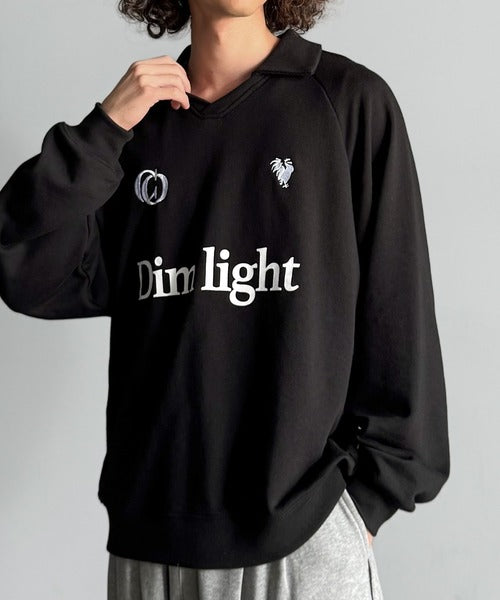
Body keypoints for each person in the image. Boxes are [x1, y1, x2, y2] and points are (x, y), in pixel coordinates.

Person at [0, 1, 450, 598]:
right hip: (151, 548)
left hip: (303, 538)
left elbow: (399, 320)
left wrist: (362, 506)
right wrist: (103, 132)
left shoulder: (347, 103)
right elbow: (28, 269)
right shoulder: (135, 130)